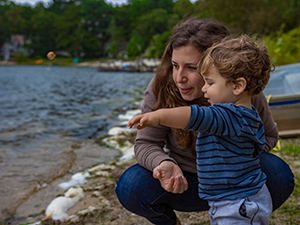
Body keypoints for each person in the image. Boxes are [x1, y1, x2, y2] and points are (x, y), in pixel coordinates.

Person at [115, 18, 294, 225]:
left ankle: (247, 213)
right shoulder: (162, 86)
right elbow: (146, 144)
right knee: (130, 185)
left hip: (238, 183)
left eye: (191, 68)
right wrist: (164, 163)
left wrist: (239, 156)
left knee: (280, 175)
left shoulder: (242, 94)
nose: (179, 77)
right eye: (175, 65)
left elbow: (268, 135)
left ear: (221, 67)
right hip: (183, 182)